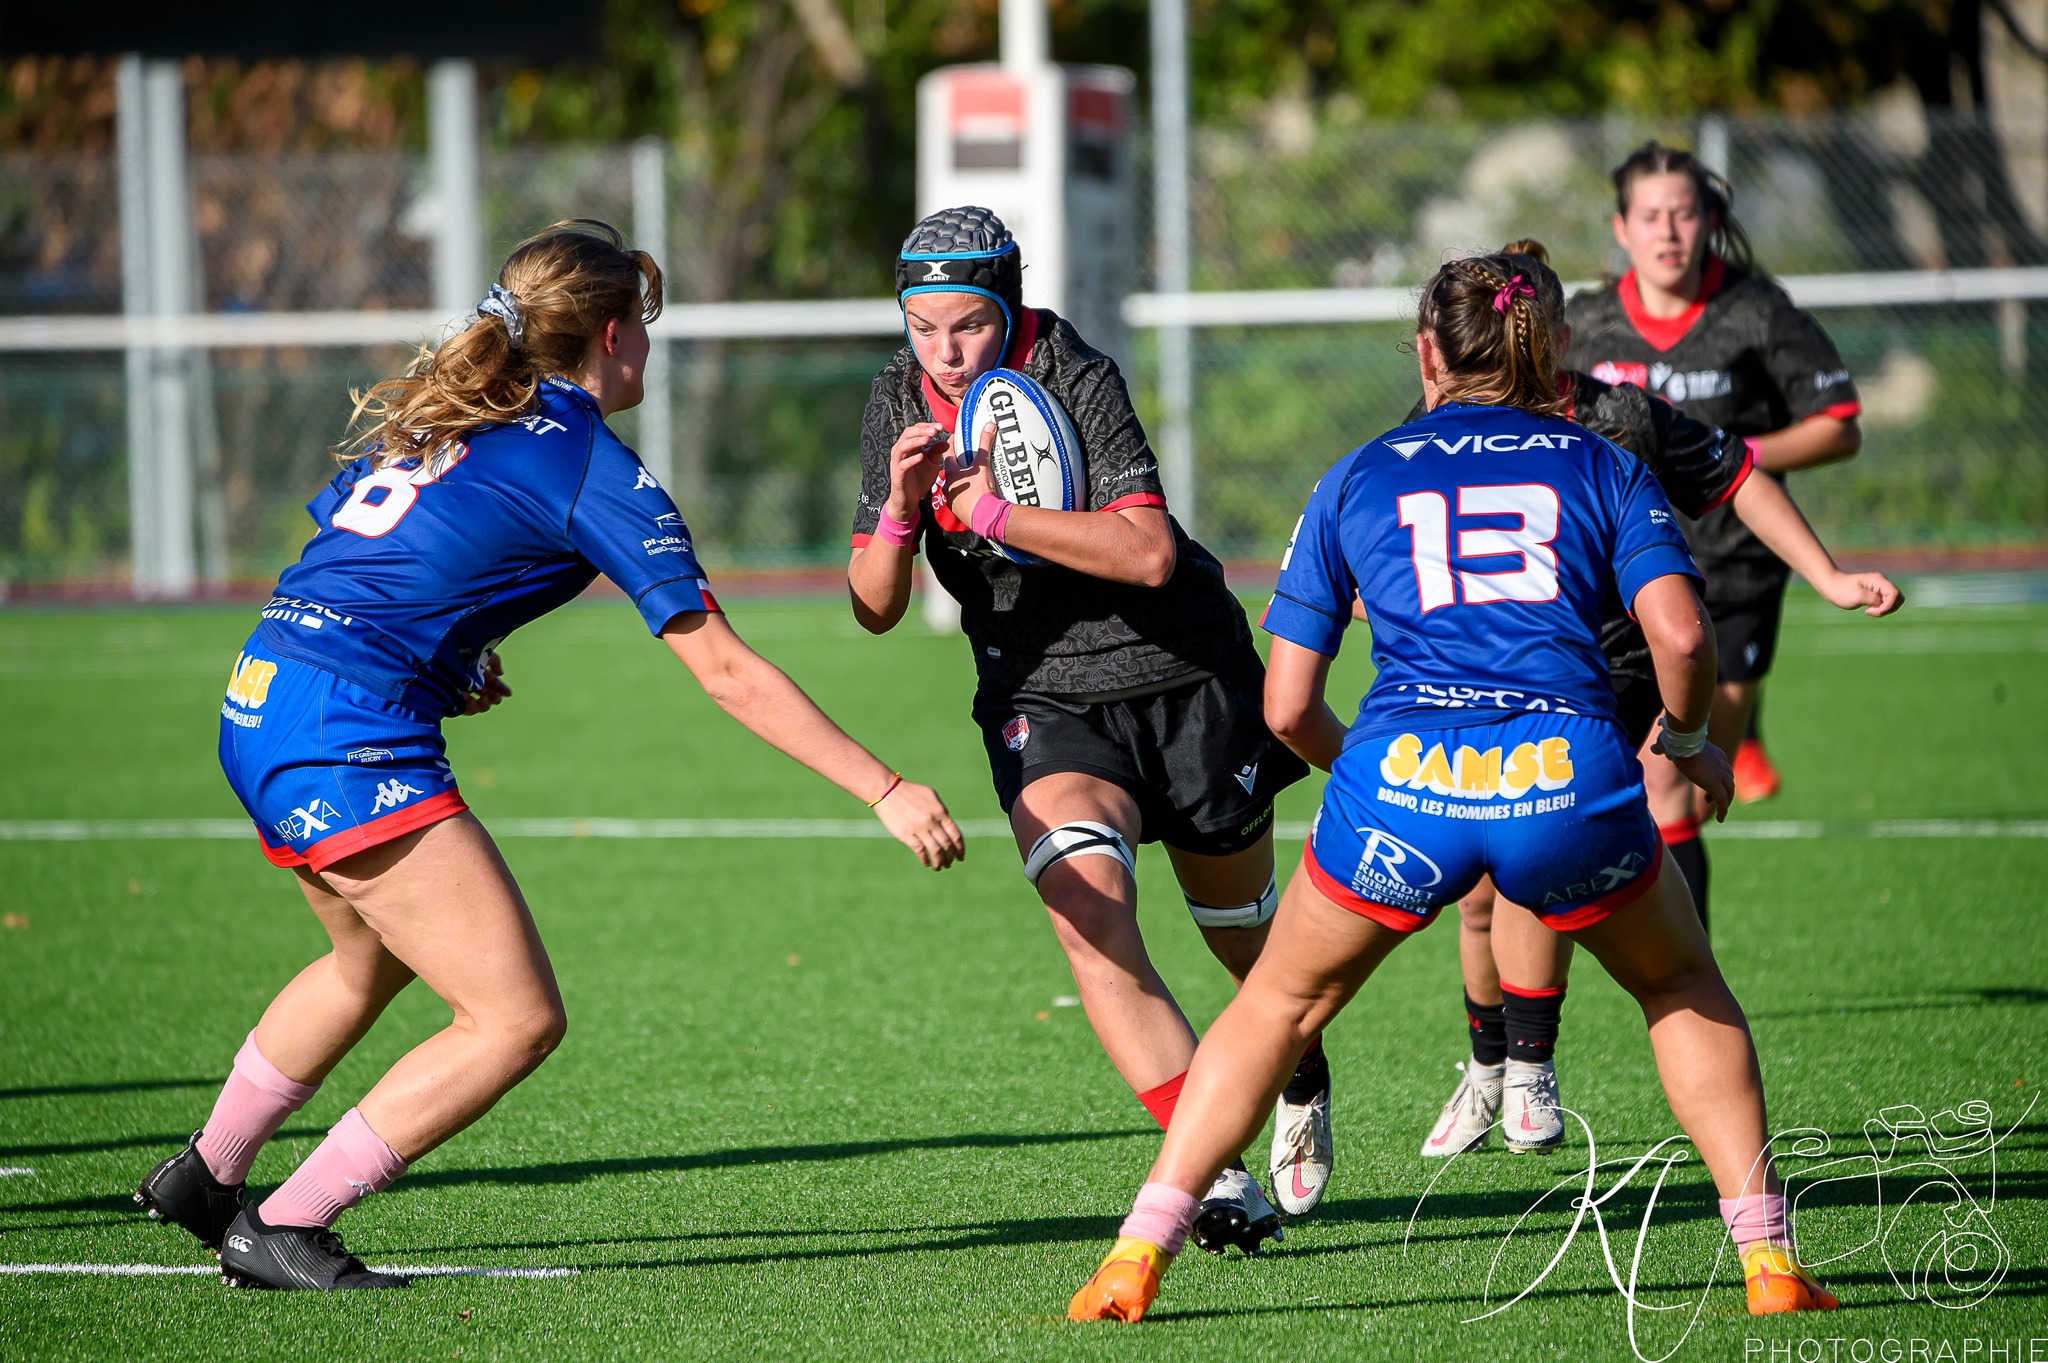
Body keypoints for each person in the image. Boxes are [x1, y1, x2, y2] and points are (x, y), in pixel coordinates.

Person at [135, 221, 965, 1291]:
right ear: (614, 335)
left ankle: (206, 1176)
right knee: (514, 1018)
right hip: (344, 733)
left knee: (367, 959)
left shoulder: (459, 415)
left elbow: (365, 558)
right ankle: (283, 1223)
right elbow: (722, 669)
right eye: (645, 330)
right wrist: (884, 786)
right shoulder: (586, 462)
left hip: (262, 697)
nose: (648, 352)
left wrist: (448, 661)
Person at [1068, 252, 1840, 1323]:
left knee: (1277, 1005)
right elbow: (1677, 634)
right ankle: (1766, 1264)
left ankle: (1133, 1255)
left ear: (1425, 352)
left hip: (1399, 783)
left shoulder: (1355, 473)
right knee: (1677, 986)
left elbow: (1286, 705)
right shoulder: (1600, 459)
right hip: (1565, 776)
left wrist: (1374, 772)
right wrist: (1690, 738)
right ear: (1550, 347)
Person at [846, 206, 1320, 1244]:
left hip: (1183, 674)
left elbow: (1147, 553)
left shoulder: (1073, 369)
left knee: (1245, 944)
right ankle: (1218, 1171)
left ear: (1006, 305)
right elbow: (872, 606)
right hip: (1039, 695)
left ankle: (1292, 1062)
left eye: (964, 325)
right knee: (1084, 909)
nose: (943, 351)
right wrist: (897, 506)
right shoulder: (896, 394)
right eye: (922, 327)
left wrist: (995, 518)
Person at [1413, 242, 1901, 1161]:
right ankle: (1487, 1071)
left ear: (1558, 338)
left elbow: (1738, 472)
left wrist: (1827, 575)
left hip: (1608, 668)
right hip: (1486, 668)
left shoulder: (1618, 416)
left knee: (1528, 841)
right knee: (1478, 893)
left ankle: (1530, 1067)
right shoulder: (1443, 417)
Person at [1569, 140, 1864, 916]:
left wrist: (1735, 459)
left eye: (1685, 212)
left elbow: (1841, 425)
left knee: (1680, 778)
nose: (1669, 231)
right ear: (1621, 227)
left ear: (1707, 220)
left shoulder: (1756, 311)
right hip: (1620, 584)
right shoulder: (1585, 326)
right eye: (1651, 215)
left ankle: (1682, 975)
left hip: (1732, 572)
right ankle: (1649, 980)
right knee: (1648, 778)